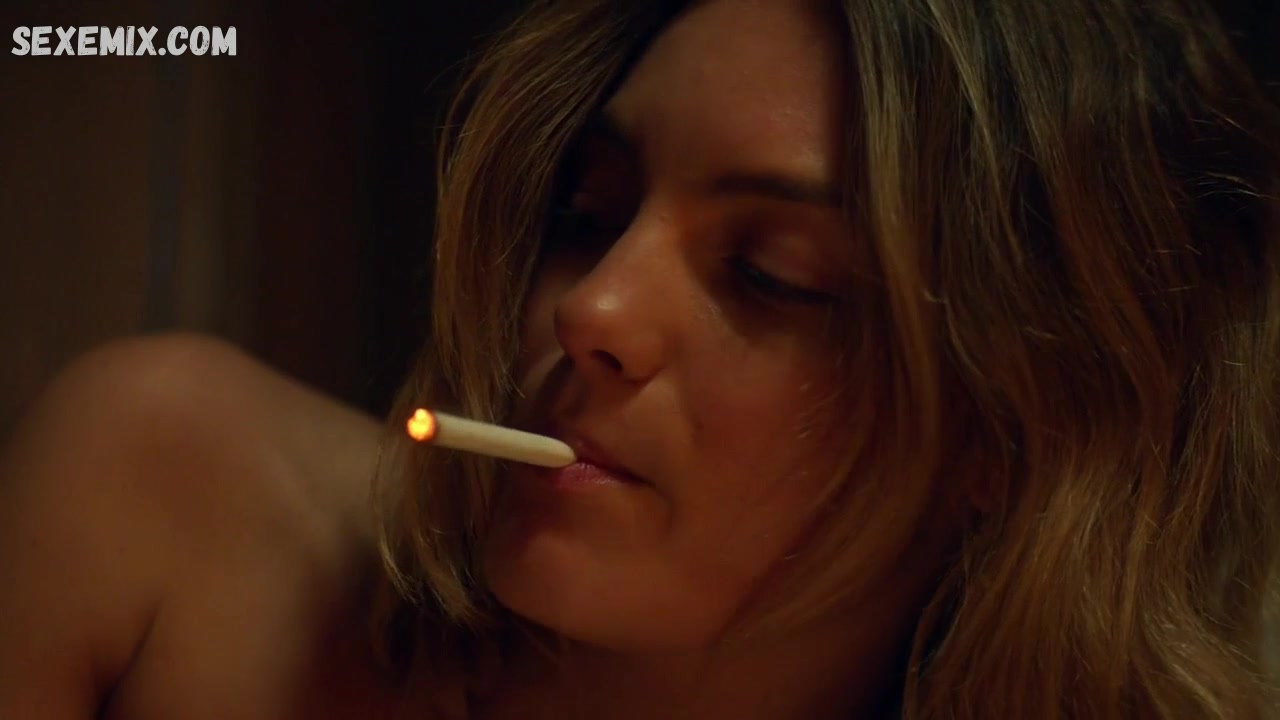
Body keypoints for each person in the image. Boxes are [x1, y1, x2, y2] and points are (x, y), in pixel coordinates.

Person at [3, 0, 1279, 717]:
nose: (593, 309)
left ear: (1012, 424)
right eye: (588, 210)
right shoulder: (168, 493)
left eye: (772, 274)